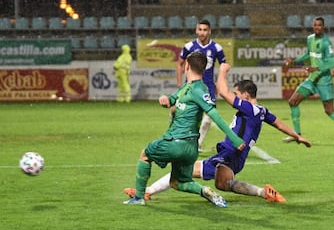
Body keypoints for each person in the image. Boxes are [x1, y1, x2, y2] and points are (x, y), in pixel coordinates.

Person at [125, 63, 312, 203]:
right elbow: (279, 123)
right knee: (205, 177)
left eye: (238, 94)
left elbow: (223, 92)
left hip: (231, 154)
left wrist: (222, 70)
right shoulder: (261, 111)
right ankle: (148, 191)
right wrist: (297, 136)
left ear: (246, 95)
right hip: (230, 155)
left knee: (215, 182)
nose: (236, 96)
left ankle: (263, 192)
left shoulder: (248, 107)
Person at [123, 52, 245, 207]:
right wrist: (165, 100)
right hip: (190, 148)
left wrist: (235, 139)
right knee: (178, 182)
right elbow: (172, 100)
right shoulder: (191, 87)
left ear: (186, 66)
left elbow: (215, 115)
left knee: (145, 155)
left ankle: (139, 197)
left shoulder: (197, 90)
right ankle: (205, 191)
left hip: (176, 142)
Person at [176, 19, 226, 152]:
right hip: (191, 86)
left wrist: (220, 82)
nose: (202, 33)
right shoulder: (189, 47)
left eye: (205, 30)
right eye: (200, 29)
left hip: (208, 86)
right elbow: (179, 63)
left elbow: (224, 65)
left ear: (209, 31)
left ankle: (198, 144)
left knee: (209, 118)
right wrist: (180, 83)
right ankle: (181, 138)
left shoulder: (216, 48)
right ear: (196, 30)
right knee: (185, 114)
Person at [283, 16, 334, 142]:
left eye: (319, 25)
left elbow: (332, 61)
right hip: (311, 80)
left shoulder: (327, 43)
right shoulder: (310, 39)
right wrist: (294, 62)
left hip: (324, 81)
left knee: (329, 111)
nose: (317, 27)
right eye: (315, 25)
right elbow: (307, 54)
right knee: (293, 102)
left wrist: (316, 69)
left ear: (323, 27)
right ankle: (297, 134)